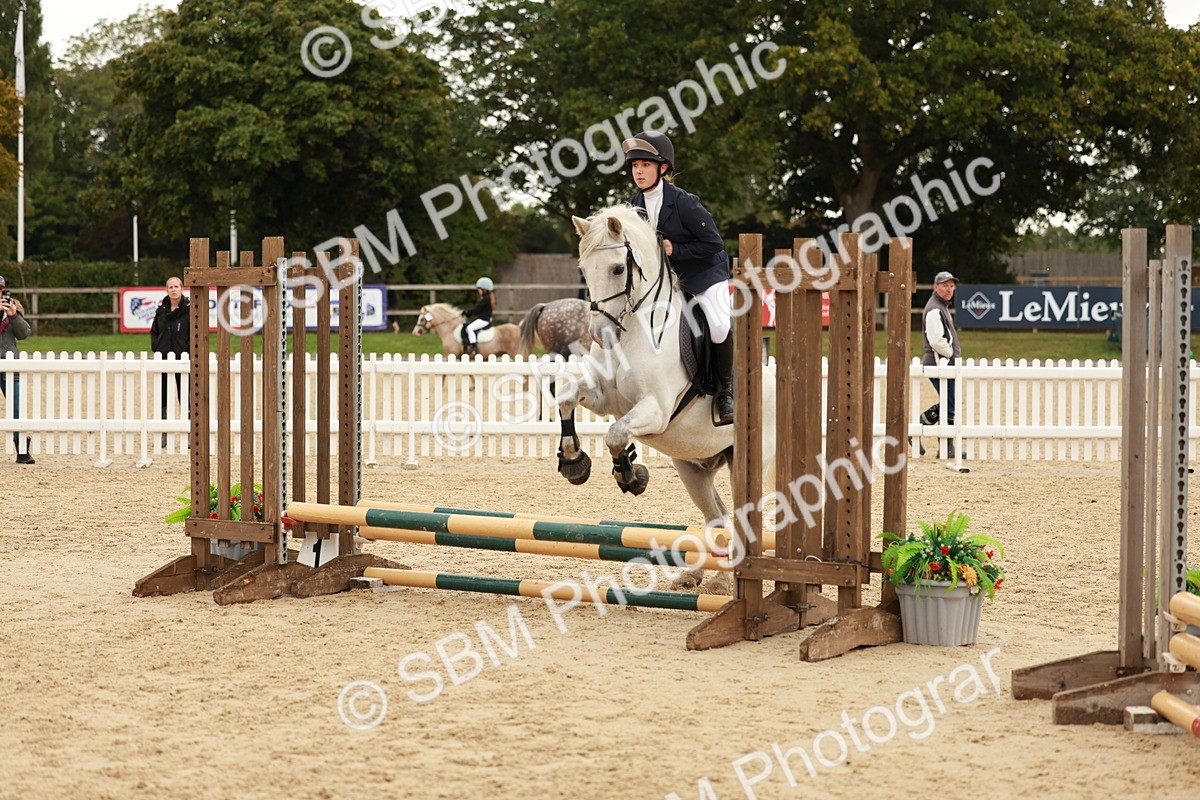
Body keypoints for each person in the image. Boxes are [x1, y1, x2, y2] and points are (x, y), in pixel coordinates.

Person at [621, 130, 734, 425]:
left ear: (663, 168)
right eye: (635, 166)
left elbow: (714, 244)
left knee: (718, 325)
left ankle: (725, 391)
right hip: (667, 279)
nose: (638, 172)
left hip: (704, 274)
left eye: (645, 165)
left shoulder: (685, 202)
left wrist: (676, 249)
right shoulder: (633, 206)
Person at [921, 270, 961, 458]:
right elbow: (936, 340)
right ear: (935, 287)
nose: (949, 289)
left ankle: (918, 429)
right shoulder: (935, 309)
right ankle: (946, 446)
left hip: (943, 363)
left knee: (948, 402)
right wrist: (951, 353)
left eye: (951, 286)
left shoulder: (940, 307)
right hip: (939, 364)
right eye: (945, 286)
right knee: (950, 404)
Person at [150, 277, 191, 446]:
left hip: (183, 359)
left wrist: (187, 349)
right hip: (164, 358)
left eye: (176, 286)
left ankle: (190, 432)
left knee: (186, 395)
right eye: (170, 287)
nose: (173, 289)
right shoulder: (161, 311)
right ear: (166, 290)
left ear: (182, 288)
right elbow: (154, 331)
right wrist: (157, 347)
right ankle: (164, 433)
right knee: (163, 396)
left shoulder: (190, 309)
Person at [0, 276, 34, 464]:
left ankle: (22, 451)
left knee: (16, 409)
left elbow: (24, 334)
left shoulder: (11, 309)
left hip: (9, 364)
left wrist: (13, 315)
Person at [461, 277, 495, 356]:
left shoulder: (486, 299)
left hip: (484, 319)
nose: (478, 291)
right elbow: (478, 310)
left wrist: (467, 313)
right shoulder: (487, 298)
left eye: (479, 289)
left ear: (484, 290)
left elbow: (477, 309)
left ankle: (474, 347)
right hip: (485, 318)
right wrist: (468, 313)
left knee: (469, 328)